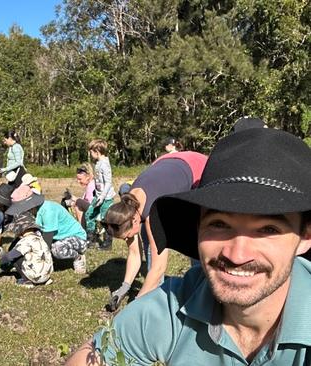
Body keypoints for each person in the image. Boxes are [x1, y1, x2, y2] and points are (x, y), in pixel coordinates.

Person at [67, 127, 311, 365]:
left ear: (305, 237)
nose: (237, 254)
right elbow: (89, 356)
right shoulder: (176, 304)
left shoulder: (148, 215)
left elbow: (157, 268)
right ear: (197, 228)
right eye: (219, 224)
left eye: (268, 229)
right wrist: (128, 290)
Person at [102, 150, 207, 309]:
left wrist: (136, 305)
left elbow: (159, 267)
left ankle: (202, 288)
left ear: (135, 219)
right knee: (145, 236)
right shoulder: (129, 205)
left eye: (126, 236)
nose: (126, 240)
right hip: (165, 163)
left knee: (199, 234)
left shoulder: (153, 213)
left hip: (197, 168)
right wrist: (124, 287)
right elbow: (135, 254)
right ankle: (156, 292)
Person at [6, 186, 88, 274]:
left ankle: (77, 257)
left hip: (78, 238)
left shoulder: (48, 211)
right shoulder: (33, 212)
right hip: (57, 238)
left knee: (57, 249)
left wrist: (40, 265)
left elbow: (46, 242)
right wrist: (10, 258)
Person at [0, 211, 53, 288]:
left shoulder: (25, 241)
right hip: (47, 274)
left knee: (15, 257)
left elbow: (9, 257)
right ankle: (44, 280)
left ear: (20, 231)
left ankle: (27, 281)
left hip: (36, 276)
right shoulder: (40, 238)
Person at [84, 139, 116, 250]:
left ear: (97, 151)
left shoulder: (105, 165)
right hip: (97, 197)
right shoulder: (98, 163)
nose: (90, 154)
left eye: (91, 152)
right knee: (89, 214)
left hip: (106, 198)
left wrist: (102, 197)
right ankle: (90, 240)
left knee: (105, 219)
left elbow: (108, 182)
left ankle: (107, 243)